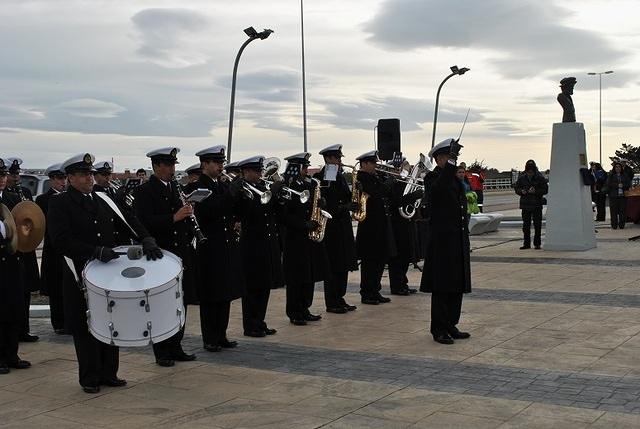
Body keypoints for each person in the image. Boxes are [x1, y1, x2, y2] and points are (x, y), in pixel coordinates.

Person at [47, 153, 163, 393]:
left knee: (111, 320)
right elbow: (60, 241)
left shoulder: (104, 199)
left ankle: (109, 372)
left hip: (108, 272)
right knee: (85, 324)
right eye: (83, 174)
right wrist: (95, 250)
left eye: (90, 174)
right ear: (69, 178)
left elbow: (128, 220)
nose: (89, 178)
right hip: (80, 272)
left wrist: (147, 238)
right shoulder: (60, 203)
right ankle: (89, 376)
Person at [133, 147, 197, 367]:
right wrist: (174, 217)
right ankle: (162, 351)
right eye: (168, 165)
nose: (172, 169)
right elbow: (142, 223)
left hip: (180, 252)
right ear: (156, 166)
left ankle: (176, 345)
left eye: (173, 165)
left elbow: (182, 221)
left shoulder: (175, 188)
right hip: (160, 254)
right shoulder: (145, 191)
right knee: (162, 304)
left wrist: (189, 219)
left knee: (180, 302)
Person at [192, 146, 244, 352]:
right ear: (205, 164)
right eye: (216, 162)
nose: (221, 166)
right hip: (210, 247)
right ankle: (210, 338)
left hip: (226, 245)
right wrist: (231, 194)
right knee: (210, 295)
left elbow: (233, 211)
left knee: (225, 292)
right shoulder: (199, 187)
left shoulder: (221, 185)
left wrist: (240, 195)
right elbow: (212, 210)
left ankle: (221, 334)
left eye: (221, 162)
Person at [420, 138, 471, 345]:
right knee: (442, 286)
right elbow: (438, 192)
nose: (453, 161)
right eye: (450, 157)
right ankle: (439, 328)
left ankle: (451, 324)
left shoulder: (455, 180)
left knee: (456, 284)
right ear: (439, 158)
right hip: (442, 241)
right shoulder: (432, 178)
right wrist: (450, 166)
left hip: (456, 239)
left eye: (454, 158)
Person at [231, 156, 284, 337]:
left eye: (260, 171)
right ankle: (250, 325)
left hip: (266, 243)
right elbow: (252, 212)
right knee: (252, 288)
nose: (260, 174)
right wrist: (271, 196)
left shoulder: (262, 187)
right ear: (246, 172)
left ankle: (260, 321)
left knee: (264, 286)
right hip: (252, 245)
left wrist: (279, 195)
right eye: (256, 171)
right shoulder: (242, 191)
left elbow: (272, 212)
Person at [281, 152, 328, 325]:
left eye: (307, 167)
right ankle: (294, 311)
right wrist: (304, 224)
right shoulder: (288, 186)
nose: (306, 170)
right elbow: (285, 216)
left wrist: (320, 205)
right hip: (295, 238)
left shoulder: (307, 184)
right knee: (296, 277)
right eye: (304, 167)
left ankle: (305, 307)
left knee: (308, 274)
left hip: (308, 238)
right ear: (296, 167)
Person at [313, 144, 358, 314]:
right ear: (329, 159)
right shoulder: (326, 175)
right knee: (334, 265)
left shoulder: (337, 175)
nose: (339, 161)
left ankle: (340, 297)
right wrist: (345, 206)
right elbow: (329, 202)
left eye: (339, 158)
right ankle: (332, 301)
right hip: (332, 226)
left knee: (343, 264)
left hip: (343, 225)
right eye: (337, 158)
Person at [0, 158, 31, 375]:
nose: (2, 179)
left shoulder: (12, 199)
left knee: (14, 309)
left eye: (2, 175)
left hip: (13, 262)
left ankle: (12, 354)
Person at [5, 157, 40, 343]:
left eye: (17, 173)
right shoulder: (7, 196)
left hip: (26, 248)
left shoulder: (23, 192)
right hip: (11, 249)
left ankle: (23, 329)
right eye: (12, 174)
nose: (15, 177)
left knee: (24, 291)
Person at [355, 150, 395, 305]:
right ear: (364, 164)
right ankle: (366, 293)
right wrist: (387, 184)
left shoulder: (375, 177)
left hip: (381, 224)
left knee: (380, 260)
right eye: (372, 163)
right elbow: (375, 194)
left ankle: (375, 290)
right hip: (369, 226)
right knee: (369, 262)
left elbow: (387, 196)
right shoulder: (362, 179)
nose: (375, 166)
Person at [35, 163, 69, 334]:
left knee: (68, 287)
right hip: (53, 249)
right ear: (52, 180)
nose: (62, 182)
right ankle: (59, 323)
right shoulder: (43, 200)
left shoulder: (70, 197)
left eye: (64, 178)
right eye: (59, 179)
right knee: (55, 288)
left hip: (68, 251)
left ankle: (69, 320)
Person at [388, 160, 423, 296]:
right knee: (397, 258)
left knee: (405, 256)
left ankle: (403, 283)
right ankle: (396, 286)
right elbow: (396, 201)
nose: (401, 172)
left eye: (402, 170)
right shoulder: (391, 184)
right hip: (396, 224)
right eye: (397, 170)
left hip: (406, 222)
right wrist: (413, 196)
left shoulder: (403, 184)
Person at [514, 160, 548, 250]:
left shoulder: (540, 178)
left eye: (531, 171)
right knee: (526, 226)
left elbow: (545, 189)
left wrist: (536, 191)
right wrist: (521, 191)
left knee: (537, 225)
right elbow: (517, 188)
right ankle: (526, 243)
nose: (530, 173)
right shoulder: (522, 178)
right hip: (525, 204)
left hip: (536, 204)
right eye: (528, 171)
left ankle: (537, 244)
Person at [607, 162, 631, 230]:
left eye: (619, 167)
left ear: (621, 168)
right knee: (613, 211)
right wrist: (617, 185)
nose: (618, 168)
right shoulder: (611, 175)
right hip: (613, 196)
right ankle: (614, 225)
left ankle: (621, 225)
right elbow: (608, 183)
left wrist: (623, 185)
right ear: (614, 168)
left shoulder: (624, 175)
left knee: (622, 211)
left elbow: (628, 183)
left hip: (623, 196)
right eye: (616, 167)